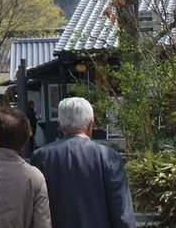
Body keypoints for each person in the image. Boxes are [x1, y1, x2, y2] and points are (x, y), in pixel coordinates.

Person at [30, 97, 135, 228]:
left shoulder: (41, 157)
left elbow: (34, 210)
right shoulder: (109, 157)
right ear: (91, 124)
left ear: (60, 125)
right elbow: (122, 212)